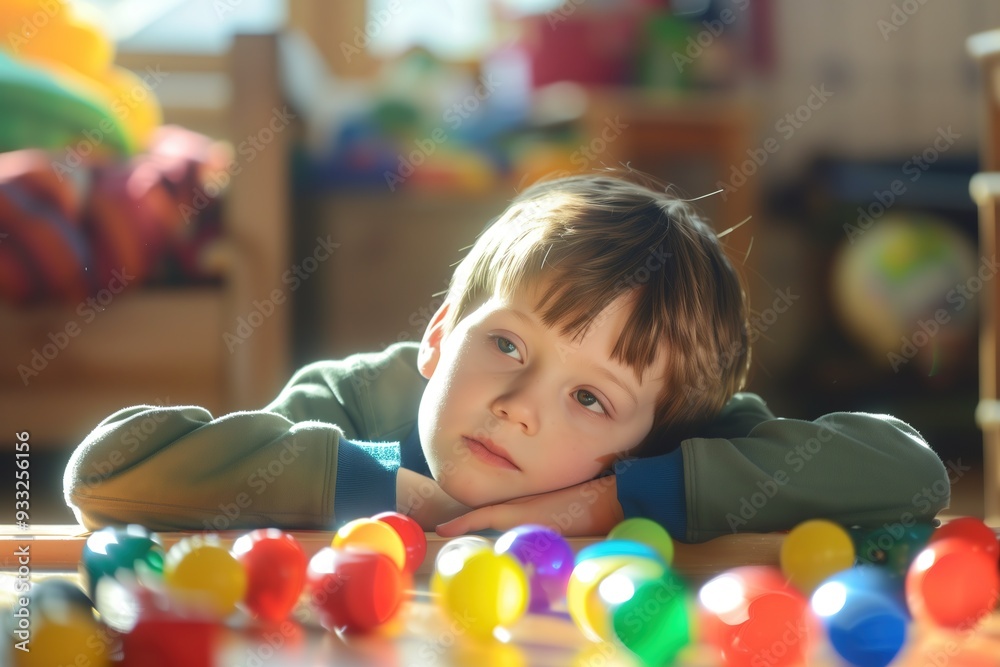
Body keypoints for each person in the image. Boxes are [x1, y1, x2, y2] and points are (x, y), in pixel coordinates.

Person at [63, 172, 949, 543]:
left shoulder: (670, 452)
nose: (520, 403)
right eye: (507, 344)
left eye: (592, 399)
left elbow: (910, 472)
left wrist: (616, 499)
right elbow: (103, 474)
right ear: (443, 332)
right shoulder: (347, 405)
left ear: (651, 434)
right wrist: (388, 491)